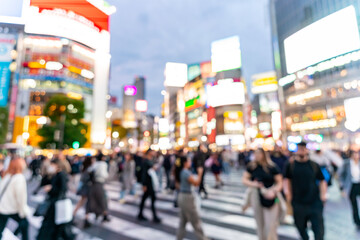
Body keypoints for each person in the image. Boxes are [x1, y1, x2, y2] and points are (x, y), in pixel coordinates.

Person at [284, 142, 327, 240]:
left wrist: (323, 195)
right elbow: (286, 180)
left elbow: (322, 181)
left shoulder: (313, 165)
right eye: (300, 148)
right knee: (300, 227)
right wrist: (288, 196)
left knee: (319, 229)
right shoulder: (290, 165)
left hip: (314, 202)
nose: (302, 151)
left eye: (303, 148)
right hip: (298, 202)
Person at [242, 148, 283, 240]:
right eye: (255, 154)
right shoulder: (252, 166)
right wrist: (254, 184)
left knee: (270, 224)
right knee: (260, 223)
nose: (257, 156)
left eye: (259, 154)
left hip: (271, 196)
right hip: (257, 195)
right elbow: (244, 179)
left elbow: (280, 182)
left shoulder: (272, 167)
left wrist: (274, 191)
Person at [37, 159, 75, 240]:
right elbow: (44, 182)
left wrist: (51, 189)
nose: (51, 167)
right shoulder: (56, 174)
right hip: (54, 202)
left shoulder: (61, 175)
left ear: (57, 165)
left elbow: (62, 189)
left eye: (52, 165)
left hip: (56, 203)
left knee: (54, 224)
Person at [176, 156, 208, 240]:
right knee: (195, 220)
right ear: (185, 163)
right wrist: (200, 173)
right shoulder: (185, 172)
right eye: (189, 161)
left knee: (183, 222)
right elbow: (196, 183)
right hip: (187, 198)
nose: (190, 162)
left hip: (182, 196)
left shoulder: (181, 171)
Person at [0, 157, 29, 240]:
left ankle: (15, 234)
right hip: (11, 208)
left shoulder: (7, 175)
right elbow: (21, 198)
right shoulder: (19, 178)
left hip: (2, 208)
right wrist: (23, 212)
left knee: (0, 229)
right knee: (24, 225)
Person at [85, 155, 110, 228]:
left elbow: (88, 172)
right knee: (103, 200)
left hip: (92, 184)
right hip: (99, 184)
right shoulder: (103, 164)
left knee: (90, 201)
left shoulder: (93, 164)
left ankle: (87, 219)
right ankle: (104, 215)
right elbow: (105, 175)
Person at [137, 149, 161, 223]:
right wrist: (144, 184)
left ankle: (140, 214)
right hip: (148, 184)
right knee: (152, 198)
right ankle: (154, 216)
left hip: (150, 183)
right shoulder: (146, 161)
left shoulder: (150, 160)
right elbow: (144, 174)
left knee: (145, 199)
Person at [338, 151, 360, 229]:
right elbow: (340, 175)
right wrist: (342, 187)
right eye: (355, 154)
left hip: (358, 184)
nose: (356, 156)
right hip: (351, 186)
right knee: (354, 205)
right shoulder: (346, 163)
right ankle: (357, 221)